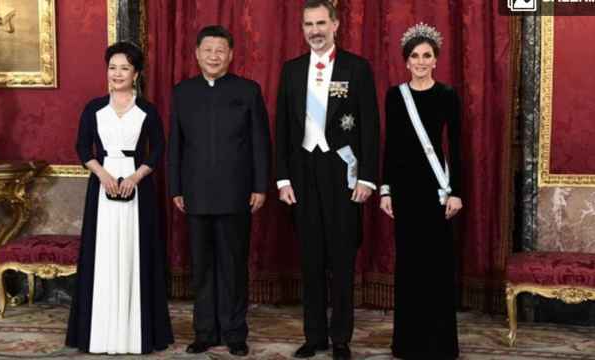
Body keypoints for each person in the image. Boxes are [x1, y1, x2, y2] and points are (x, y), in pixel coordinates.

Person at [275, 1, 380, 359]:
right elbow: (283, 129)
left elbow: (370, 128)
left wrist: (367, 178)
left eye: (321, 23)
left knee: (341, 259)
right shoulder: (291, 70)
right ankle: (314, 335)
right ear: (302, 28)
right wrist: (282, 179)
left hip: (343, 174)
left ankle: (340, 339)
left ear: (335, 25)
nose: (315, 30)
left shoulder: (357, 68)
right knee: (311, 259)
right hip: (303, 174)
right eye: (308, 24)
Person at [167, 25, 271, 357]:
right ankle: (205, 331)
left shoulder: (248, 90)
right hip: (195, 193)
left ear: (231, 54)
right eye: (208, 49)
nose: (214, 55)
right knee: (202, 267)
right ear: (196, 53)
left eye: (220, 50)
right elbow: (176, 146)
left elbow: (260, 143)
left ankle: (235, 331)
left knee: (233, 266)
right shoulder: (183, 92)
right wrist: (176, 187)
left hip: (237, 192)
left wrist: (260, 185)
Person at [66, 41, 174, 354]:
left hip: (137, 187)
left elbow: (158, 149)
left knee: (134, 253)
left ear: (136, 73)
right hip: (101, 186)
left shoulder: (147, 110)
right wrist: (103, 175)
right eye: (112, 67)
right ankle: (98, 334)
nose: (117, 73)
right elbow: (82, 147)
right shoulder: (93, 108)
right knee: (103, 254)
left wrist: (136, 178)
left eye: (124, 68)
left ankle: (135, 334)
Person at [379, 23, 463, 360]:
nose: (421, 61)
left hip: (437, 191)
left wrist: (455, 191)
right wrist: (386, 191)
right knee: (410, 267)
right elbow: (392, 147)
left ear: (436, 59)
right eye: (415, 56)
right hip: (405, 192)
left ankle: (440, 344)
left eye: (427, 55)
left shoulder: (447, 95)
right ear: (406, 60)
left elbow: (456, 146)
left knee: (437, 267)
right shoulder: (394, 95)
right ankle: (409, 343)